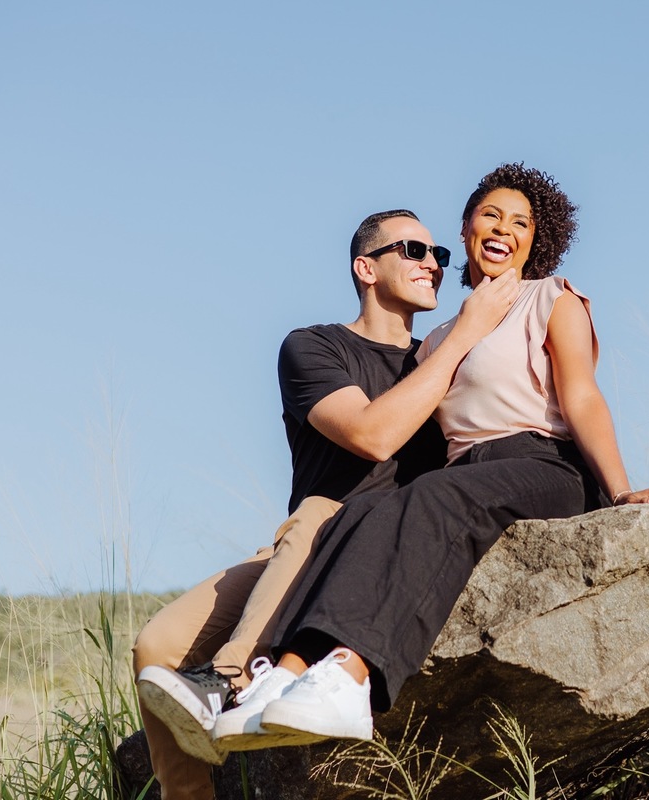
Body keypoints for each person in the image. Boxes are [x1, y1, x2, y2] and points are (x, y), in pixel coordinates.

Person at [212, 163, 649, 749]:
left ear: (534, 240)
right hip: (468, 473)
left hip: (545, 463)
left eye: (520, 222)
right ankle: (281, 680)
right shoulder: (440, 340)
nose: (503, 229)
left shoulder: (551, 298)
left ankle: (348, 680)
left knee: (434, 496)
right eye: (490, 215)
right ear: (465, 231)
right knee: (365, 512)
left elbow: (584, 397)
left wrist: (620, 491)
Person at [132, 208, 519, 800]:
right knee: (156, 644)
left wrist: (620, 490)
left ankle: (232, 676)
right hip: (302, 546)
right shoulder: (314, 346)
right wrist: (465, 335)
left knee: (321, 513)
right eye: (413, 250)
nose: (433, 265)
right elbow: (372, 434)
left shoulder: (448, 357)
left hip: (385, 546)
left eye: (439, 255)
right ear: (366, 267)